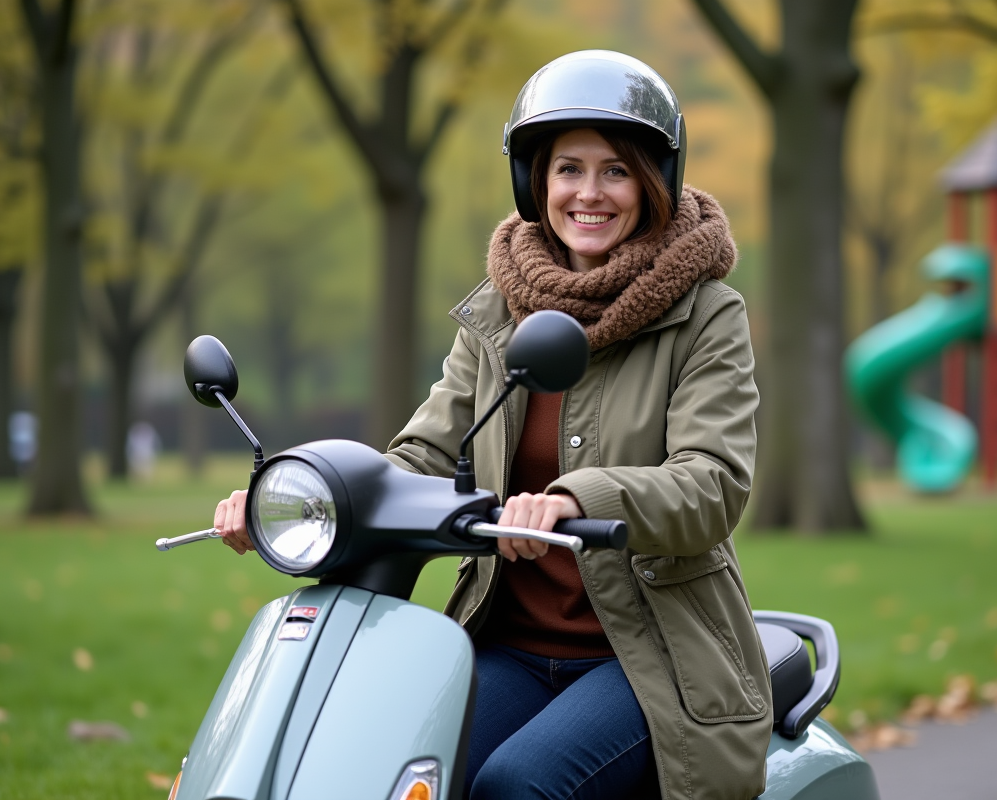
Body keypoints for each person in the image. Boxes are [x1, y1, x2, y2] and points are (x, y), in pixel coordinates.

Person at [213, 51, 771, 800]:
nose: (589, 192)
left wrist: (579, 499)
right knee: (380, 766)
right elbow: (425, 450)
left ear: (653, 179)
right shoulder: (498, 311)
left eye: (615, 170)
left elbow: (713, 485)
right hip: (506, 642)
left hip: (648, 654)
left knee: (517, 785)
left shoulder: (706, 316)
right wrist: (304, 497)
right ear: (534, 181)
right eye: (568, 168)